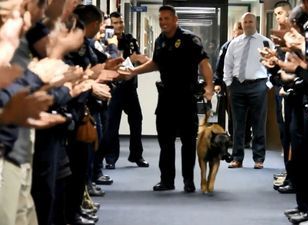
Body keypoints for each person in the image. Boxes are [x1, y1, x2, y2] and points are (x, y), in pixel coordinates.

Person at [119, 5, 213, 193]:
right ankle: (167, 180)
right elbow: (155, 63)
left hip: (186, 97)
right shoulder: (160, 40)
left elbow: (204, 63)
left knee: (187, 142)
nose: (163, 22)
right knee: (166, 141)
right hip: (166, 98)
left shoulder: (190, 39)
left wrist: (209, 86)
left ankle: (188, 181)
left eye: (166, 18)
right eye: (161, 19)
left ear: (175, 19)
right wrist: (133, 72)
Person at [223, 12, 274, 169]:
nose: (248, 24)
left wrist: (268, 85)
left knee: (258, 123)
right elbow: (228, 64)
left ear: (255, 23)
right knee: (238, 124)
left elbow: (273, 64)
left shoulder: (266, 42)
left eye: (250, 21)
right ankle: (237, 158)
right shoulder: (234, 43)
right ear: (242, 24)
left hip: (258, 85)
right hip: (238, 85)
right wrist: (229, 83)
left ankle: (259, 159)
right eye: (245, 22)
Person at [100, 11, 149, 170]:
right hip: (114, 88)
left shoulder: (130, 40)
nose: (119, 25)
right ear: (109, 25)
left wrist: (141, 61)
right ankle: (111, 158)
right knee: (112, 124)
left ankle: (136, 155)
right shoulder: (106, 41)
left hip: (129, 87)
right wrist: (131, 60)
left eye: (120, 22)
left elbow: (138, 59)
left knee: (137, 119)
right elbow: (112, 64)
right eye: (115, 23)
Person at [214, 21, 252, 147]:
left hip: (248, 84)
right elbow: (219, 67)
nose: (240, 32)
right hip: (231, 85)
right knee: (233, 112)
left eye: (242, 30)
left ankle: (246, 138)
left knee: (247, 112)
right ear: (233, 32)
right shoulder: (227, 47)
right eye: (238, 30)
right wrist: (218, 83)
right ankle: (235, 138)